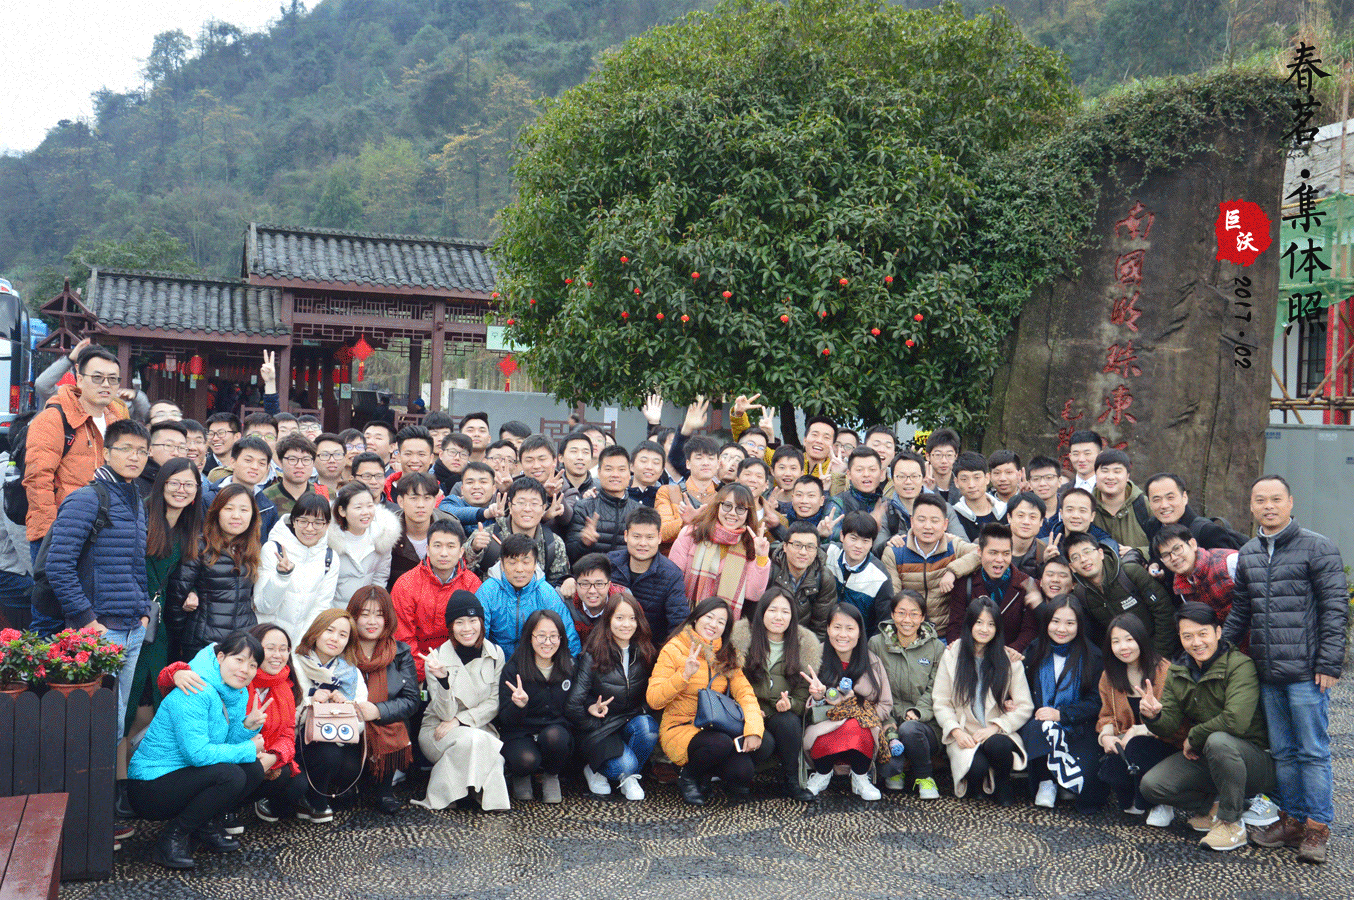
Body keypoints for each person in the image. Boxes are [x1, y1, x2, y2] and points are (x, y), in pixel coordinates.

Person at [1225, 475, 1347, 863]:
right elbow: (1241, 611)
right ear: (1251, 506)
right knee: (1282, 753)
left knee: (1312, 752)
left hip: (1308, 672)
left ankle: (1317, 827)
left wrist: (1329, 662)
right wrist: (1217, 650)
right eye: (1260, 500)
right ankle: (1292, 819)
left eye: (1276, 499)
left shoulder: (1318, 547)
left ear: (1290, 502)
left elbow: (1335, 610)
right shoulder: (1248, 552)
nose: (1269, 506)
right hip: (1267, 672)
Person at [44, 418, 151, 741]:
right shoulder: (86, 499)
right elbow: (58, 565)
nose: (134, 457)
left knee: (116, 718)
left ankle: (111, 776)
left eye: (142, 451)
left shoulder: (135, 499)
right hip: (100, 629)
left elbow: (137, 564)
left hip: (132, 627)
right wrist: (88, 620)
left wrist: (144, 611)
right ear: (106, 452)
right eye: (126, 449)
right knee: (92, 721)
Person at [1139, 603, 1277, 852]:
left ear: (1218, 632)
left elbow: (1235, 721)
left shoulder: (1240, 665)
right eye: (1187, 636)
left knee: (1218, 741)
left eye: (1203, 634)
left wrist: (1194, 736)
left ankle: (1232, 824)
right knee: (1152, 786)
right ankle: (1217, 807)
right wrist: (1153, 716)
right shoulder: (1178, 670)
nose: (1196, 643)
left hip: (1253, 760)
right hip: (1210, 755)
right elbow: (1169, 725)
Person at [127, 631, 267, 869]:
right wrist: (248, 747)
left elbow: (224, 743)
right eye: (239, 660)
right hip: (150, 785)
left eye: (253, 665)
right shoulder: (195, 688)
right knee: (232, 775)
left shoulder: (236, 692)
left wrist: (246, 727)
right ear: (220, 657)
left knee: (252, 769)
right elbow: (198, 754)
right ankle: (172, 838)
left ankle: (205, 825)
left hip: (185, 774)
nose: (245, 670)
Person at [158, 623, 307, 826]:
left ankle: (227, 809)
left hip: (259, 752)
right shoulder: (237, 680)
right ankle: (217, 813)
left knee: (295, 783)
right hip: (223, 755)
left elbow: (288, 733)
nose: (277, 655)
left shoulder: (284, 686)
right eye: (270, 648)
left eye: (283, 649)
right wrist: (175, 673)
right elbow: (200, 670)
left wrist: (273, 756)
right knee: (241, 773)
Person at [647, 597, 764, 806]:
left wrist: (754, 730)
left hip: (716, 727)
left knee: (743, 772)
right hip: (680, 727)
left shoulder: (727, 654)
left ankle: (705, 773)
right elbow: (654, 700)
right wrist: (684, 675)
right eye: (709, 617)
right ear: (696, 618)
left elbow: (745, 694)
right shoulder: (675, 648)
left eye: (721, 621)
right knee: (720, 743)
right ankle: (688, 777)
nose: (713, 625)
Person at [23, 345, 128, 560]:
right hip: (61, 534)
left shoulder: (118, 421)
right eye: (97, 377)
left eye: (112, 379)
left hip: (104, 534)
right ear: (79, 379)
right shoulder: (53, 419)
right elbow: (37, 480)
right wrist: (52, 533)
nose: (106, 384)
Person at [932, 597, 1034, 804]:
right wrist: (956, 731)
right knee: (976, 768)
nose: (984, 629)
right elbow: (941, 702)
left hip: (996, 731)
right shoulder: (952, 654)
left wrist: (996, 727)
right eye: (979, 622)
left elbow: (1025, 706)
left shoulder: (1008, 659)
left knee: (998, 745)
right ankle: (979, 779)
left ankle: (1003, 781)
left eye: (991, 624)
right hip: (965, 731)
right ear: (969, 624)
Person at [414, 590, 510, 811]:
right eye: (459, 622)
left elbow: (494, 702)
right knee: (473, 742)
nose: (467, 628)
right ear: (451, 627)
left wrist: (460, 720)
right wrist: (443, 680)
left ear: (481, 622)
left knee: (489, 751)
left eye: (472, 620)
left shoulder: (496, 654)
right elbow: (445, 714)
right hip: (438, 730)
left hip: (479, 727)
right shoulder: (436, 658)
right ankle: (451, 793)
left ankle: (470, 793)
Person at [126, 458, 203, 731]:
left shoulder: (188, 527)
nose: (181, 490)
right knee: (129, 697)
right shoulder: (139, 515)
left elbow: (182, 573)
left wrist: (192, 590)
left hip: (160, 623)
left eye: (188, 485)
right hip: (131, 616)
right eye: (174, 483)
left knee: (151, 697)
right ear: (161, 484)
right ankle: (119, 758)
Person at [566, 592, 660, 800]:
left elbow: (652, 693)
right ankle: (595, 770)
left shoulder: (645, 652)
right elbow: (572, 705)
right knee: (625, 764)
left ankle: (630, 777)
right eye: (619, 618)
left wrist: (641, 711)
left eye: (632, 618)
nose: (626, 624)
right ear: (608, 620)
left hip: (628, 721)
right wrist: (592, 716)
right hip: (601, 728)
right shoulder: (593, 654)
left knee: (648, 728)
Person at [730, 588, 821, 801]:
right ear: (762, 612)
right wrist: (750, 711)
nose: (778, 617)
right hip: (748, 714)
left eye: (785, 612)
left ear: (793, 617)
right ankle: (741, 775)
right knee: (766, 743)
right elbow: (731, 686)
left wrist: (790, 703)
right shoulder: (743, 641)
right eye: (772, 610)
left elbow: (802, 697)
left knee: (788, 722)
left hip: (778, 717)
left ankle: (792, 781)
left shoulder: (802, 646)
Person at [1021, 597, 1107, 813]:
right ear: (1047, 622)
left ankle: (1063, 780)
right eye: (1056, 621)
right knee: (1039, 726)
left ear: (1079, 625)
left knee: (1088, 789)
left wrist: (1061, 714)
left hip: (1079, 726)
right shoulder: (1035, 650)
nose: (1061, 629)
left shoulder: (1093, 656)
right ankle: (1047, 781)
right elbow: (1025, 689)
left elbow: (1097, 701)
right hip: (1041, 724)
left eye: (1070, 623)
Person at [801, 603, 892, 801]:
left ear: (860, 632)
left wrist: (860, 715)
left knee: (857, 727)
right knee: (828, 729)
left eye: (850, 628)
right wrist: (817, 698)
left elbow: (885, 704)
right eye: (837, 627)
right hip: (824, 722)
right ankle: (822, 773)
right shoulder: (815, 658)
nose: (843, 634)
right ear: (828, 629)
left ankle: (860, 776)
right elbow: (801, 706)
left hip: (863, 726)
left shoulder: (872, 662)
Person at [1096, 613, 1178, 826]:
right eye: (1116, 641)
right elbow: (1107, 714)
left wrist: (1138, 730)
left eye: (1129, 639)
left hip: (1162, 742)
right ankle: (1132, 793)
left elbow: (1176, 721)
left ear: (1141, 638)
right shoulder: (1110, 675)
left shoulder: (1164, 671)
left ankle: (1161, 803)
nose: (1123, 647)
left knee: (1138, 744)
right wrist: (1106, 737)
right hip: (1126, 743)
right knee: (1115, 767)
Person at [346, 586, 420, 813]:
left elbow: (411, 700)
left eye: (379, 615)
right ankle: (346, 785)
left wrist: (378, 711)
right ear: (353, 617)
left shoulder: (399, 652)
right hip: (350, 723)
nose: (372, 622)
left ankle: (384, 790)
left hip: (384, 722)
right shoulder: (342, 649)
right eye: (365, 614)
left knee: (394, 724)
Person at [169, 483, 261, 662]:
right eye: (229, 508)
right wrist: (182, 637)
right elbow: (176, 597)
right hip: (203, 644)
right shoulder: (200, 546)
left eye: (244, 510)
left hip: (243, 643)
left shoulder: (253, 549)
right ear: (217, 512)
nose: (236, 516)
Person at [291, 608, 367, 822]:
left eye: (343, 635)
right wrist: (312, 702)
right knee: (328, 754)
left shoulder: (351, 673)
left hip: (335, 738)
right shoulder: (295, 663)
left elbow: (360, 720)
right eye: (329, 630)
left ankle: (315, 796)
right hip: (296, 736)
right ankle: (312, 800)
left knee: (345, 762)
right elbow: (285, 711)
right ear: (316, 632)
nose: (335, 638)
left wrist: (342, 710)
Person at [868, 590, 945, 799]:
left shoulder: (936, 648)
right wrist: (887, 720)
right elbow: (873, 689)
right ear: (892, 614)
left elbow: (936, 688)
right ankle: (898, 769)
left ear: (922, 617)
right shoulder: (876, 644)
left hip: (924, 724)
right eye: (901, 613)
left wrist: (918, 712)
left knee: (910, 730)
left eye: (914, 614)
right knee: (890, 768)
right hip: (888, 720)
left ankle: (925, 777)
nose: (907, 620)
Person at [496, 609, 574, 803]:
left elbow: (576, 703)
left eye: (553, 636)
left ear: (561, 638)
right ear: (529, 637)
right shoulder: (513, 669)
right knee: (526, 759)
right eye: (541, 636)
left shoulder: (569, 666)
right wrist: (518, 705)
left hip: (554, 729)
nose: (547, 642)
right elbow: (504, 719)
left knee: (556, 737)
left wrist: (590, 706)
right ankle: (521, 775)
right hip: (520, 732)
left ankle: (551, 775)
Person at [392, 519, 481, 680]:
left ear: (461, 551)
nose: (444, 553)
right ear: (427, 549)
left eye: (451, 546)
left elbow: (476, 634)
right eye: (437, 546)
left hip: (460, 669)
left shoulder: (472, 584)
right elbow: (403, 638)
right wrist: (426, 673)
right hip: (416, 670)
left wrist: (452, 674)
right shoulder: (406, 584)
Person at [667, 483, 771, 620]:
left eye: (740, 509)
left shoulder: (750, 545)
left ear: (748, 513)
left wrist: (761, 557)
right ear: (717, 506)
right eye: (727, 506)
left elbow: (753, 594)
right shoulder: (692, 533)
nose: (732, 513)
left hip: (723, 624)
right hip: (686, 615)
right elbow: (672, 580)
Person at [1064, 531, 1175, 656]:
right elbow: (1098, 634)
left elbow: (1164, 611)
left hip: (1158, 651)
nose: (1083, 559)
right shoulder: (1081, 594)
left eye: (1087, 552)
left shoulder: (1130, 572)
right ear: (1072, 567)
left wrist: (1158, 654)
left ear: (1100, 553)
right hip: (1124, 656)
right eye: (1075, 557)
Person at [255, 493, 342, 647]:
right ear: (293, 521)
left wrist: (300, 645)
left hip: (300, 645)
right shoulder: (273, 549)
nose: (309, 528)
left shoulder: (330, 558)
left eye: (318, 523)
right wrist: (281, 576)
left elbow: (321, 607)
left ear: (327, 525)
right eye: (303, 521)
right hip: (266, 642)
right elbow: (264, 606)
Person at [476, 533, 581, 658]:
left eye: (526, 562)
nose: (519, 569)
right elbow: (478, 635)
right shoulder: (488, 591)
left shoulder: (545, 593)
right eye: (512, 562)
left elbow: (567, 634)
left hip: (536, 661)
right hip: (496, 660)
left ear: (535, 564)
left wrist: (572, 664)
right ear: (502, 565)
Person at [886, 494, 979, 635]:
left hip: (944, 633)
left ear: (945, 524)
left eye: (934, 521)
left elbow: (981, 553)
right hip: (909, 631)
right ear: (912, 521)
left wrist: (952, 571)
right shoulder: (895, 552)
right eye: (921, 520)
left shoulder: (953, 546)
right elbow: (894, 598)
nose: (927, 526)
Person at [946, 523, 1042, 651]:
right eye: (993, 553)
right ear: (980, 552)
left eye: (1006, 553)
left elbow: (1029, 630)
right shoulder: (965, 582)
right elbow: (955, 626)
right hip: (971, 655)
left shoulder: (1027, 585)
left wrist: (1010, 653)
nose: (1000, 559)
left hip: (1010, 657)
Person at [464, 476, 569, 591]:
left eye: (534, 503)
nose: (527, 509)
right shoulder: (487, 536)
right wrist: (473, 549)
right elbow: (461, 573)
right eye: (521, 503)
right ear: (510, 506)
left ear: (544, 508)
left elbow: (557, 584)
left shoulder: (553, 543)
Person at [607, 506, 688, 641]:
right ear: (626, 536)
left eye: (650, 537)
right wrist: (570, 580)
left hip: (649, 646)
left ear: (659, 538)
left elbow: (678, 622)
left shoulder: (672, 575)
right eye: (636, 536)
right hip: (610, 642)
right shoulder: (610, 562)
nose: (643, 543)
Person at [328, 481, 401, 607]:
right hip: (334, 611)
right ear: (342, 511)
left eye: (370, 506)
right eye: (358, 507)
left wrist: (372, 609)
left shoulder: (383, 536)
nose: (366, 512)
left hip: (365, 611)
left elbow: (380, 577)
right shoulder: (329, 540)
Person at [567, 445, 641, 564]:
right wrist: (584, 543)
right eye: (609, 469)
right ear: (599, 472)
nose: (615, 474)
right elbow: (570, 554)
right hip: (592, 573)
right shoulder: (583, 507)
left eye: (621, 469)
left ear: (629, 474)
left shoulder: (639, 512)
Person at [825, 512, 894, 635]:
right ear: (842, 536)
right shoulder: (828, 553)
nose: (858, 546)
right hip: (825, 633)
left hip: (860, 639)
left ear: (872, 543)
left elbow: (884, 622)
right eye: (853, 538)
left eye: (865, 541)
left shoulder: (880, 577)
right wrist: (819, 535)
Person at [1153, 524, 1238, 623]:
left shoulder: (1229, 562)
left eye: (1177, 549)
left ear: (1193, 544)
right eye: (1166, 555)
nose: (1174, 558)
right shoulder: (1180, 586)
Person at [768, 521, 837, 638]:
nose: (803, 552)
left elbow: (820, 628)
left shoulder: (824, 578)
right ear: (785, 546)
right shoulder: (770, 570)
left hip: (802, 641)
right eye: (797, 545)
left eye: (810, 547)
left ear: (817, 550)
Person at [1142, 473, 1246, 551]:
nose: (1164, 505)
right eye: (1156, 500)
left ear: (1184, 497)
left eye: (1170, 497)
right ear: (1149, 503)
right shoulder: (1152, 526)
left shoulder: (1207, 532)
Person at [204, 435, 279, 541]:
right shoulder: (209, 499)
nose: (255, 467)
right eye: (248, 460)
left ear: (267, 468)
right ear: (232, 462)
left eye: (262, 463)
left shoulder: (268, 507)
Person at [388, 471, 450, 588]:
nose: (420, 505)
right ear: (400, 501)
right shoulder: (387, 531)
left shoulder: (449, 527)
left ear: (434, 501)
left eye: (427, 498)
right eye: (414, 498)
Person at [655, 435, 720, 545]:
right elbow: (662, 533)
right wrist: (684, 522)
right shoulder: (668, 491)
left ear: (718, 464)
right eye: (699, 458)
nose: (706, 463)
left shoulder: (722, 498)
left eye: (711, 458)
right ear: (688, 464)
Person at [1092, 449, 1151, 555]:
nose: (1110, 477)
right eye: (1105, 471)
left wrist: (1138, 553)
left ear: (1127, 476)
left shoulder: (1145, 505)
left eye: (1117, 471)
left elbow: (1165, 544)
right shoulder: (1087, 506)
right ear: (1095, 474)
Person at [830, 447, 889, 553]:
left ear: (881, 474)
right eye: (859, 470)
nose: (866, 474)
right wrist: (871, 525)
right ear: (849, 474)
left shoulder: (888, 505)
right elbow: (830, 535)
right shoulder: (838, 502)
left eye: (872, 470)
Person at [946, 451, 1008, 542]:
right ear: (956, 482)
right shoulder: (953, 515)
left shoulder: (1005, 511)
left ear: (987, 478)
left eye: (977, 478)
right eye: (964, 479)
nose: (971, 485)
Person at [1048, 487, 1120, 557]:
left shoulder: (1107, 547)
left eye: (1082, 511)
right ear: (1061, 513)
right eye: (1070, 510)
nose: (1075, 516)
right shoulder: (1047, 544)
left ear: (1092, 516)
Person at [263, 434, 319, 518]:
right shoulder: (265, 498)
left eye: (306, 460)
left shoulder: (325, 493)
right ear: (280, 461)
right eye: (292, 459)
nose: (299, 466)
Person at [881, 450, 926, 542]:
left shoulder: (941, 508)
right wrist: (889, 542)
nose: (908, 482)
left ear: (923, 479)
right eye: (901, 476)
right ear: (893, 480)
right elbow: (878, 544)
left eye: (914, 476)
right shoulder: (883, 510)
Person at [1006, 491, 1050, 579]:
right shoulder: (987, 544)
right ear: (1009, 518)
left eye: (1033, 517)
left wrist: (1046, 564)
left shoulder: (1044, 552)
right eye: (1020, 515)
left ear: (1041, 521)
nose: (1026, 522)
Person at [140, 420, 188, 500]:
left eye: (182, 448)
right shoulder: (136, 482)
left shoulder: (188, 483)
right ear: (150, 450)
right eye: (169, 445)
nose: (176, 453)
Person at [923, 428, 962, 504]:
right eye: (938, 455)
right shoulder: (921, 487)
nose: (944, 461)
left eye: (949, 455)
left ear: (956, 456)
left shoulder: (962, 487)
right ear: (928, 456)